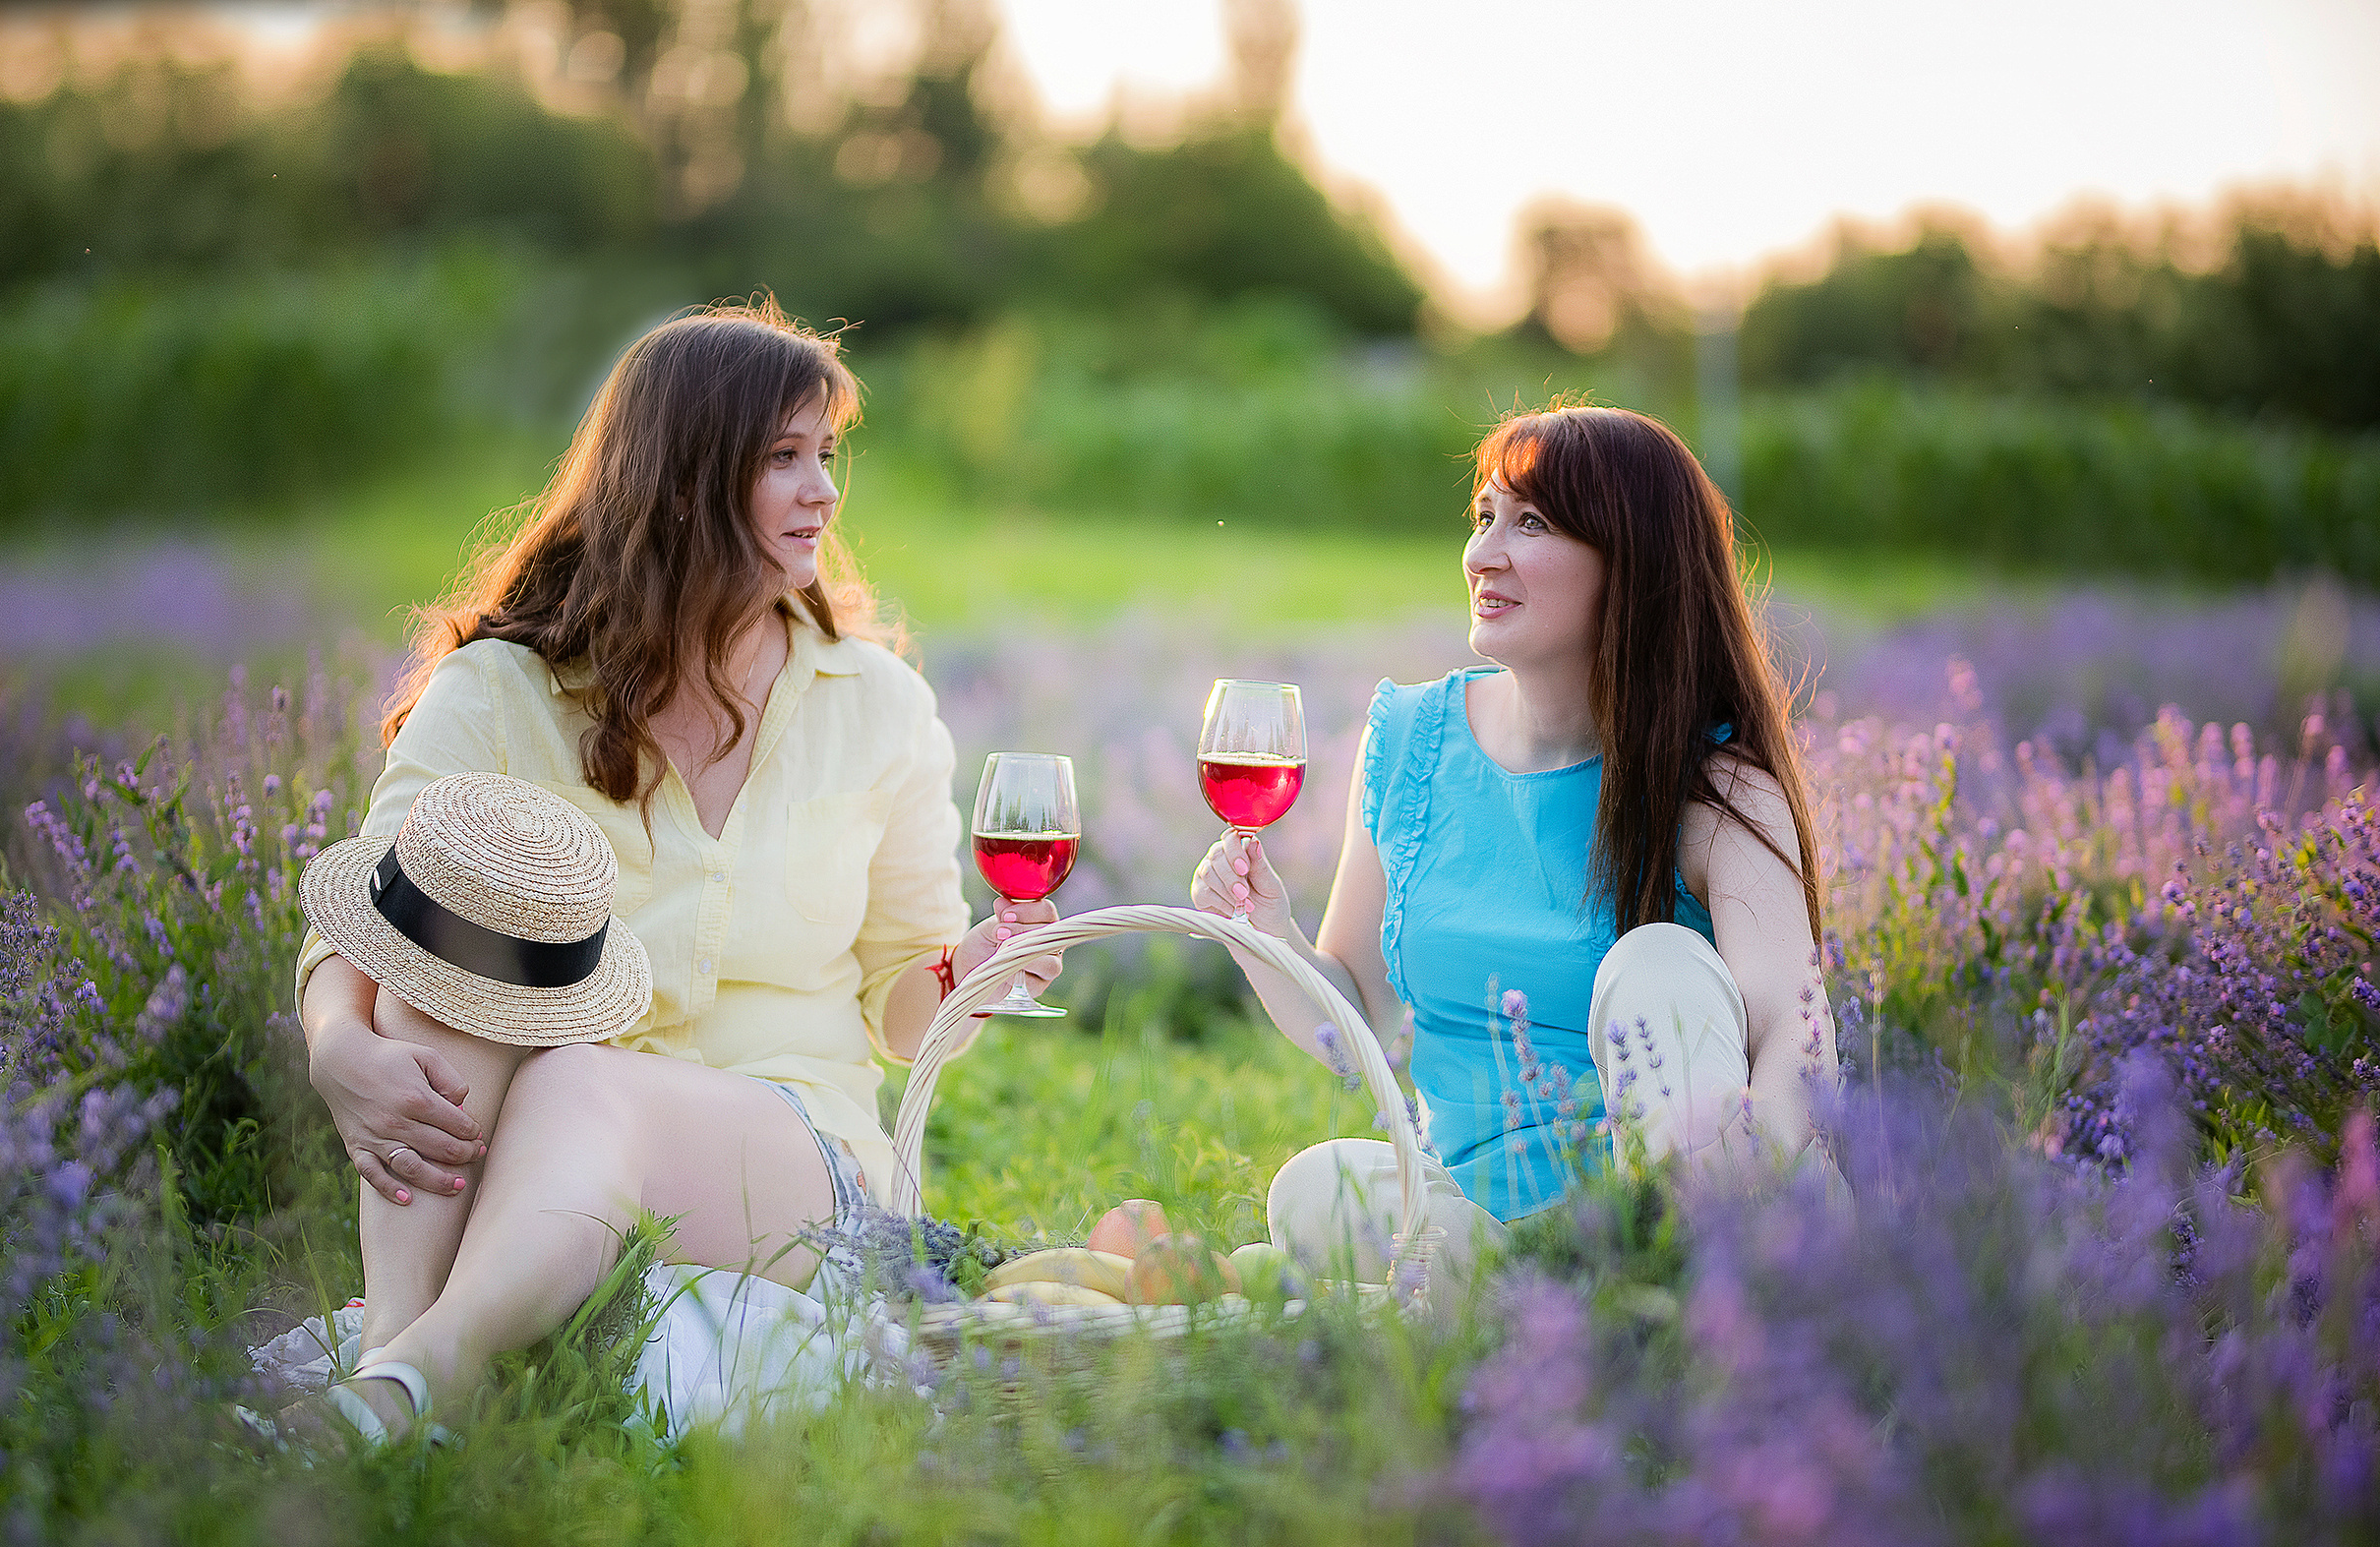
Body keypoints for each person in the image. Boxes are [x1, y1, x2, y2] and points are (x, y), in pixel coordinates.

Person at [293, 302, 1058, 1441]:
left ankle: (412, 1379)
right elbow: (368, 922)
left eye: (827, 458)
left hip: (787, 1154)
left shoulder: (876, 705)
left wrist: (966, 973)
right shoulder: (504, 691)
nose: (825, 494)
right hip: (530, 1125)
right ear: (689, 479)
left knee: (575, 1079)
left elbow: (901, 998)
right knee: (435, 968)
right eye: (784, 460)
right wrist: (337, 1052)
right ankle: (403, 1347)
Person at [1192, 401, 1832, 1241]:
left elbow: (1795, 1026)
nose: (1482, 555)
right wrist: (1263, 930)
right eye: (1484, 516)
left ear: (1629, 562)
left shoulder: (1716, 786)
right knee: (1315, 1190)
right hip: (1468, 1218)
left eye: (1529, 523)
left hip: (1667, 1220)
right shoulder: (1411, 740)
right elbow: (1358, 1022)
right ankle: (1537, 1307)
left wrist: (1788, 1226)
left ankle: (1677, 1282)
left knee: (1662, 962)